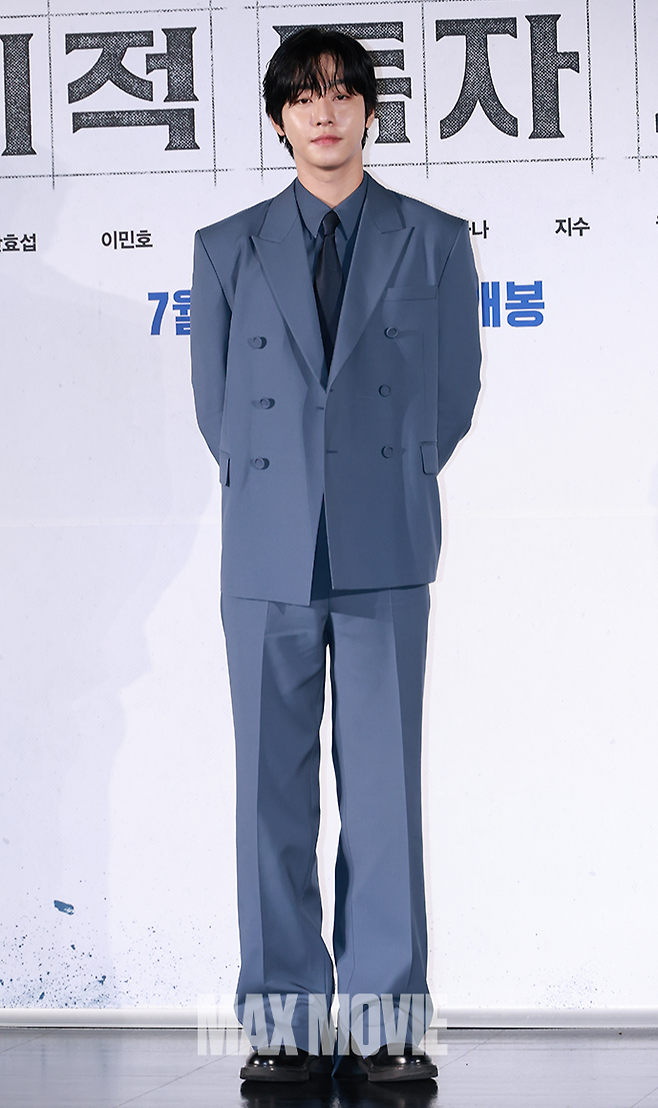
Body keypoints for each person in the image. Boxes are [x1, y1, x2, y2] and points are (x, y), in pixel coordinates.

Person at [190, 26, 481, 1083]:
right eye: (305, 96)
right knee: (267, 791)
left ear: (368, 110)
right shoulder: (225, 246)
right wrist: (288, 489)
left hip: (383, 540)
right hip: (267, 547)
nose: (325, 111)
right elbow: (218, 406)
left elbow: (452, 394)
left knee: (384, 793)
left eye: (343, 92)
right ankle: (282, 1024)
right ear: (279, 119)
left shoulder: (432, 238)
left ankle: (386, 1019)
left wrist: (379, 479)